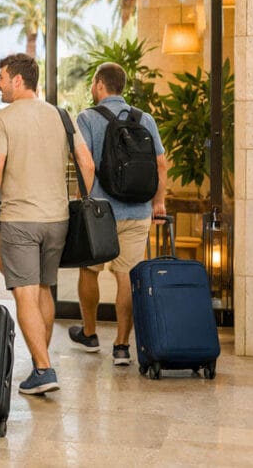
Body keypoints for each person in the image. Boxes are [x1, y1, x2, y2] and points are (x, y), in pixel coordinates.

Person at [0, 53, 94, 396]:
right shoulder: (60, 114)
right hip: (57, 218)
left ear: (17, 80)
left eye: (0, 77)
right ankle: (40, 362)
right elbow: (86, 165)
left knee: (25, 294)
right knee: (44, 289)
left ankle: (43, 368)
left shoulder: (2, 119)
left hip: (20, 220)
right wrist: (72, 198)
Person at [69, 62, 167, 366]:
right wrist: (158, 203)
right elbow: (162, 164)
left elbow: (86, 164)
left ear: (100, 84)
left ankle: (89, 333)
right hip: (138, 209)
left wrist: (82, 198)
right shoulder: (144, 118)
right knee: (127, 276)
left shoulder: (87, 118)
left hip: (100, 211)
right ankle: (122, 346)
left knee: (90, 270)